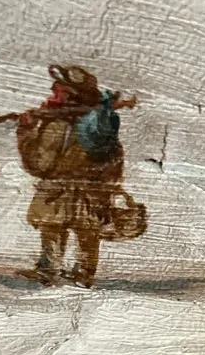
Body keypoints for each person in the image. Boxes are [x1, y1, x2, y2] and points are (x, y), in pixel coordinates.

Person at [14, 64, 140, 287]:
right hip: (92, 191)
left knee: (54, 227)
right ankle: (84, 273)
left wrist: (26, 131)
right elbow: (115, 160)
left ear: (71, 95)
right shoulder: (101, 124)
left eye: (58, 91)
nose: (52, 95)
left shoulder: (57, 125)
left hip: (58, 189)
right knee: (86, 230)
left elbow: (38, 163)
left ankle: (51, 269)